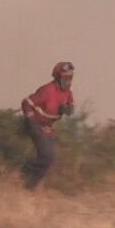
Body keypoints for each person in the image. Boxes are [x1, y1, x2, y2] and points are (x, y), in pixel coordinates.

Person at [20, 61, 75, 190]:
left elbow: (70, 107)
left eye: (70, 78)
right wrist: (31, 120)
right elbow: (26, 103)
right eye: (65, 78)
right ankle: (24, 169)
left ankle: (29, 185)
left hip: (47, 128)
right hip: (35, 124)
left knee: (50, 159)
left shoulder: (68, 93)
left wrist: (67, 109)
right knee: (47, 155)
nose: (68, 81)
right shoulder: (47, 90)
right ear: (57, 77)